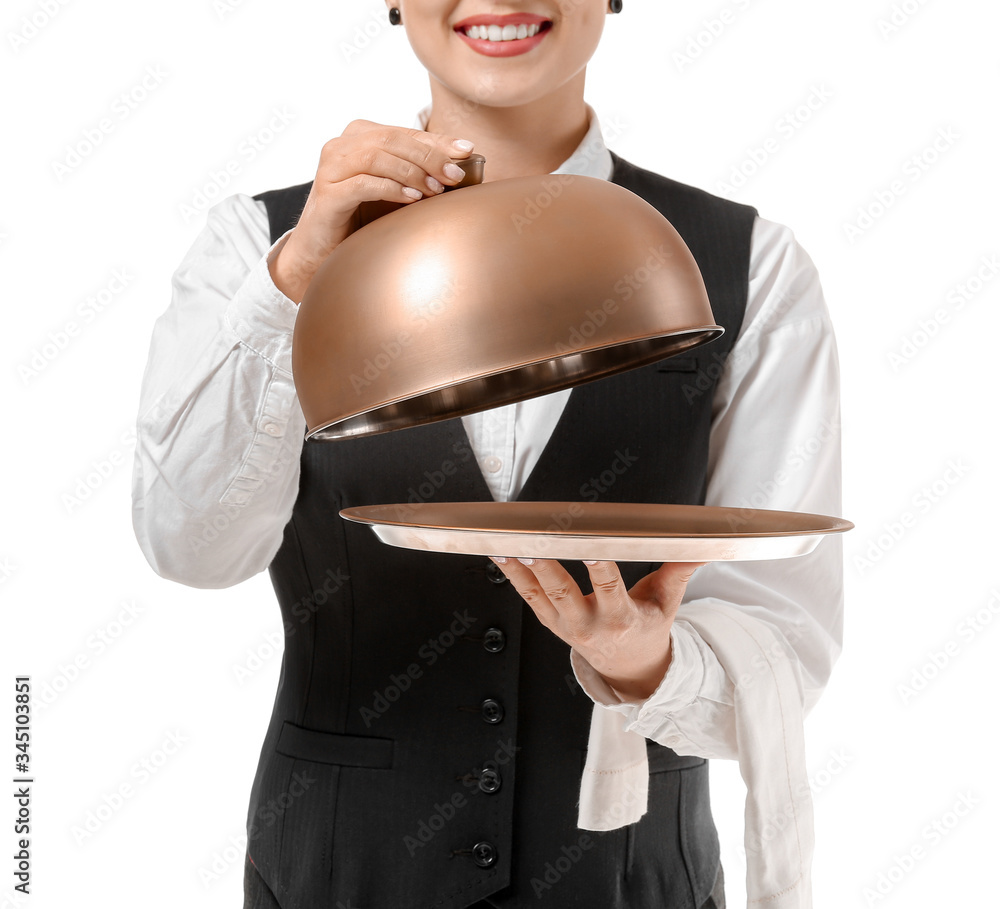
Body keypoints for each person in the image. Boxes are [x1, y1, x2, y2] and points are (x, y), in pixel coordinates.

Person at [131, 2, 843, 908]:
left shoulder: (753, 267)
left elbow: (784, 649)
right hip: (338, 877)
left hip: (627, 882)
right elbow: (187, 550)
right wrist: (291, 287)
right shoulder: (256, 248)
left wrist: (646, 664)